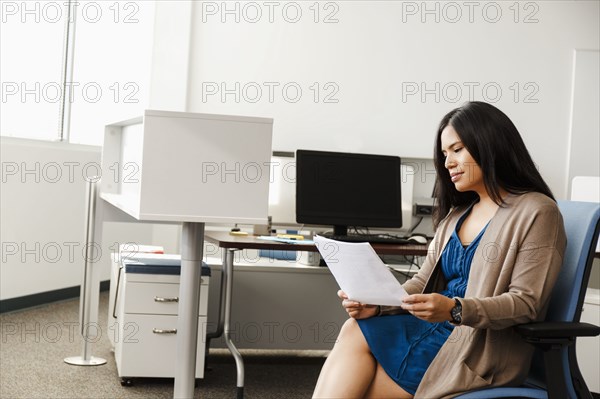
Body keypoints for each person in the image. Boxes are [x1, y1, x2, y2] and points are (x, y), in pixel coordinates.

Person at [312, 101, 567, 399]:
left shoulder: (537, 212)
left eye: (457, 150)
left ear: (490, 145)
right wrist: (378, 304)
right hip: (431, 329)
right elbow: (422, 282)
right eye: (445, 154)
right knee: (357, 326)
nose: (447, 163)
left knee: (360, 382)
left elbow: (526, 303)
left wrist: (454, 309)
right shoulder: (456, 216)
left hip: (474, 346)